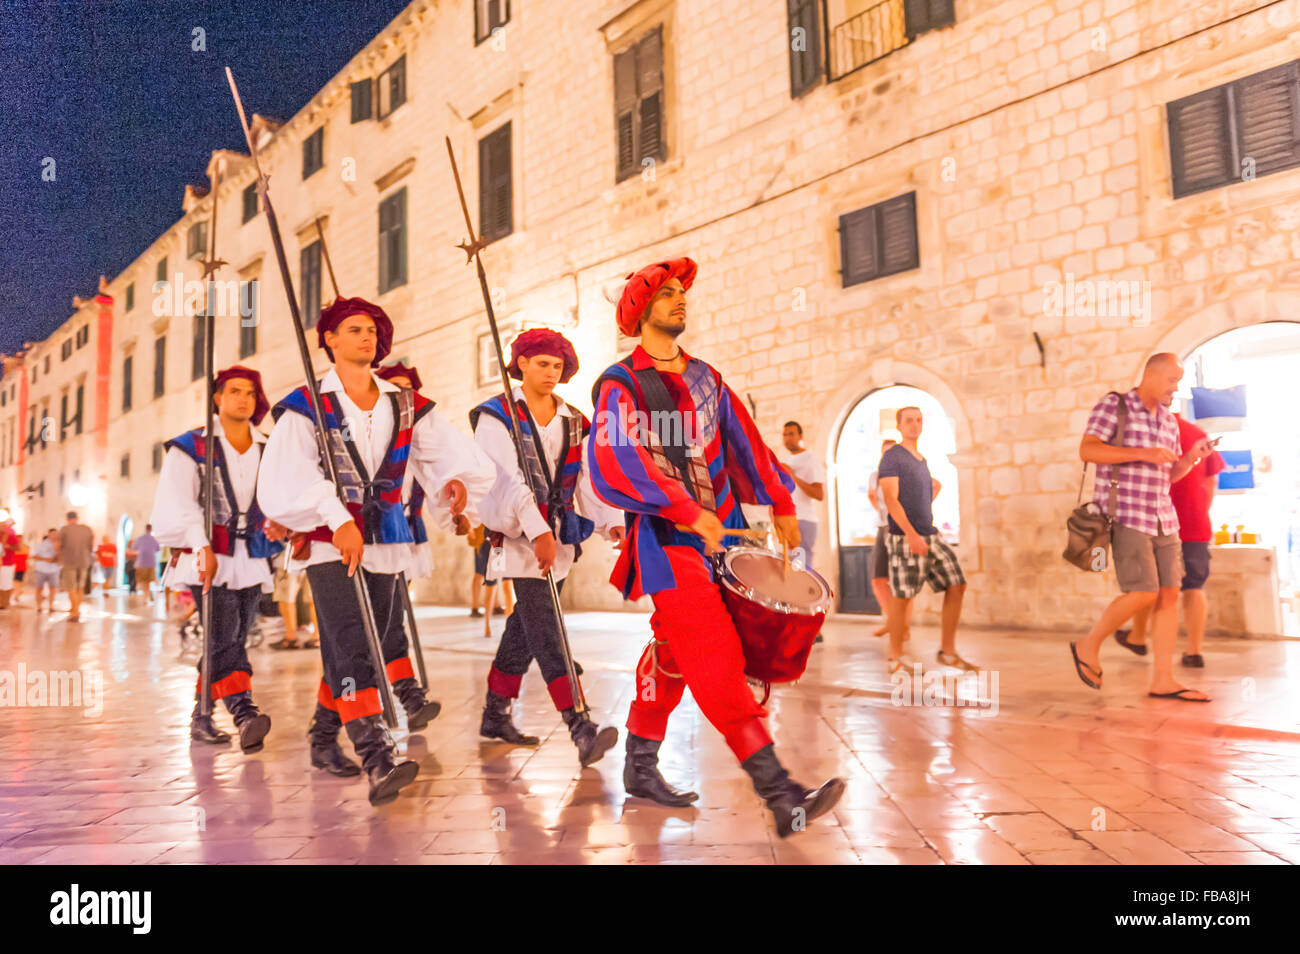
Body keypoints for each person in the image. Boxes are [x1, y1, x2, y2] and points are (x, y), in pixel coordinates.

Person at [588, 257, 845, 836]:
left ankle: (639, 765)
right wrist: (683, 509)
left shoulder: (708, 378)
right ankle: (782, 794)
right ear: (641, 310)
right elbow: (615, 459)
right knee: (717, 661)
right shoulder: (620, 383)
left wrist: (779, 501)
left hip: (724, 539)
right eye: (669, 294)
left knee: (674, 653)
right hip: (666, 542)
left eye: (683, 293)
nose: (681, 300)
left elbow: (747, 444)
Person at [258, 296, 496, 805]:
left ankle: (323, 738)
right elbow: (287, 477)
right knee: (349, 640)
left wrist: (452, 487)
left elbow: (445, 458)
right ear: (329, 341)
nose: (366, 337)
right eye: (353, 329)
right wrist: (335, 516)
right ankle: (376, 753)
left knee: (360, 645)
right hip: (330, 545)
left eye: (372, 329)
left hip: (387, 540)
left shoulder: (404, 404)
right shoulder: (306, 407)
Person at [471, 328, 625, 764]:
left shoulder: (573, 419)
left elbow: (589, 478)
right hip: (520, 538)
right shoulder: (496, 416)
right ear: (520, 364)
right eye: (542, 363)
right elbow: (504, 479)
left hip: (560, 541)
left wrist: (610, 523)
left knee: (525, 627)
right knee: (547, 629)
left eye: (557, 366)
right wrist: (536, 530)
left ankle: (494, 713)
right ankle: (579, 724)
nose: (550, 373)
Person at [151, 365, 284, 752]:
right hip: (206, 554)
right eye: (235, 391)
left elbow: (277, 498)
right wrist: (200, 545)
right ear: (218, 398)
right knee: (224, 633)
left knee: (232, 636)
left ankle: (201, 716)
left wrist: (283, 526)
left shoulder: (267, 448)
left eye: (250, 393)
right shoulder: (191, 447)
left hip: (252, 555)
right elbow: (178, 502)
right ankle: (243, 711)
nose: (244, 399)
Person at [1070, 354, 1215, 702]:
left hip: (1164, 518)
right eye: (1171, 380)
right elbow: (1087, 450)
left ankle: (1163, 680)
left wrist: (1191, 457)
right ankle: (1087, 644)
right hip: (1126, 514)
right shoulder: (1114, 405)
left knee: (1169, 594)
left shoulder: (1167, 420)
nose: (1175, 388)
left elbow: (1169, 474)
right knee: (1145, 591)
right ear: (1151, 376)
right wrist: (1143, 453)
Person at [1115, 411, 1227, 668]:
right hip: (1194, 523)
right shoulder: (1196, 434)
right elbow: (1211, 481)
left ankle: (1140, 638)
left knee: (1149, 587)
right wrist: (1200, 512)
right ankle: (1194, 652)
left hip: (1157, 523)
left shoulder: (1147, 434)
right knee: (1194, 586)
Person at [878, 407, 974, 675]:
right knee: (902, 596)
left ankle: (948, 651)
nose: (915, 424)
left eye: (919, 419)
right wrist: (911, 533)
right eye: (908, 420)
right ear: (899, 426)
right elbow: (890, 500)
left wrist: (926, 524)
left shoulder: (920, 459)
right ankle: (895, 656)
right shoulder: (892, 457)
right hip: (904, 537)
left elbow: (922, 495)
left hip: (930, 534)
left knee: (957, 585)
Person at [867, 438, 911, 639]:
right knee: (878, 579)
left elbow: (935, 486)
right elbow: (871, 495)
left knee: (903, 581)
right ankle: (894, 621)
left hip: (902, 528)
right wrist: (882, 513)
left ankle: (902, 627)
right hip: (884, 527)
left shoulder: (908, 474)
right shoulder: (876, 476)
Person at [780, 421, 825, 569]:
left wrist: (793, 476)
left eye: (791, 434)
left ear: (800, 436)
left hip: (804, 520)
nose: (787, 438)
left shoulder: (810, 459)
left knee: (802, 571)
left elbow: (819, 494)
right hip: (788, 519)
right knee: (789, 570)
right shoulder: (787, 461)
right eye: (785, 434)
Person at [270, 564, 317, 649]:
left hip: (290, 560)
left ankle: (291, 638)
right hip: (313, 559)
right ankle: (316, 638)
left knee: (286, 597)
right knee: (313, 597)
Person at [58, 511, 94, 621]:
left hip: (69, 562)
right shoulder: (87, 529)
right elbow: (91, 546)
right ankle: (75, 608)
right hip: (84, 562)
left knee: (71, 587)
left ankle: (75, 612)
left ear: (67, 518)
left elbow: (59, 545)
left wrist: (59, 558)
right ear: (77, 518)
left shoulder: (64, 529)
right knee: (80, 587)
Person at [31, 529, 60, 612]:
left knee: (53, 589)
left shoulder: (59, 545)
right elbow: (34, 556)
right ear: (49, 534)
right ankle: (39, 606)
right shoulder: (41, 545)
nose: (54, 536)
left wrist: (56, 550)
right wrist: (45, 559)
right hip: (41, 569)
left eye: (56, 534)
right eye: (52, 534)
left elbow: (60, 558)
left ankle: (51, 606)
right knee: (39, 588)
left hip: (54, 570)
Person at [131, 525, 161, 600]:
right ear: (151, 529)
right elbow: (158, 549)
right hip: (151, 562)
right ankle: (153, 592)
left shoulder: (140, 538)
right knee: (151, 580)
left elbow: (134, 547)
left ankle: (146, 596)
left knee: (143, 581)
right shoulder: (153, 539)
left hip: (142, 563)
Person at [0, 519, 18, 609]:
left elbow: (18, 548)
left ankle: (5, 603)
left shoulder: (11, 536)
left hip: (8, 563)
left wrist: (9, 546)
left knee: (6, 584)